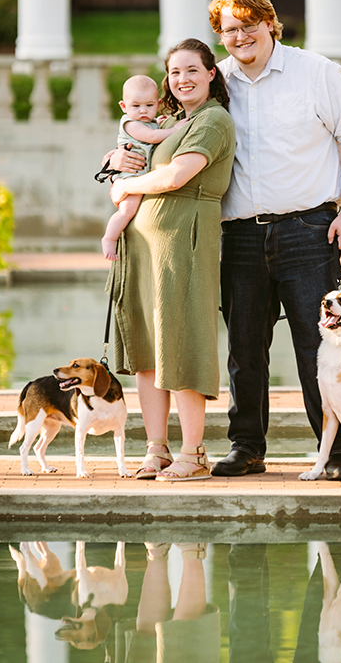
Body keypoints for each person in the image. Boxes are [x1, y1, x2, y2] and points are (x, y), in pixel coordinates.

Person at [208, 0, 341, 479]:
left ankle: (338, 456)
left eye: (247, 26)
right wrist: (121, 153)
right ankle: (247, 448)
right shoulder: (217, 82)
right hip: (238, 236)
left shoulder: (317, 72)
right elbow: (168, 130)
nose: (240, 38)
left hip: (308, 231)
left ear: (269, 22)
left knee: (319, 346)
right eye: (228, 31)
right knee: (244, 348)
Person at [106, 39, 235, 482]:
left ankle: (193, 452)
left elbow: (179, 175)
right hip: (143, 246)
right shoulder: (170, 121)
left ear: (211, 74)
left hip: (185, 240)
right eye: (175, 72)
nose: (182, 79)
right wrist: (116, 172)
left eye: (192, 70)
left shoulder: (211, 120)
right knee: (148, 350)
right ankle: (156, 448)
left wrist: (128, 185)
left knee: (182, 342)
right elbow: (127, 171)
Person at [101, 75, 179, 261]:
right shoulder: (131, 123)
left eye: (149, 105)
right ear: (124, 107)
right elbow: (152, 137)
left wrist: (160, 123)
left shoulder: (149, 122)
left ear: (158, 104)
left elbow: (153, 130)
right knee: (127, 211)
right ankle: (109, 238)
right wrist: (176, 130)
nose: (143, 111)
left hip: (139, 175)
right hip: (130, 175)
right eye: (136, 106)